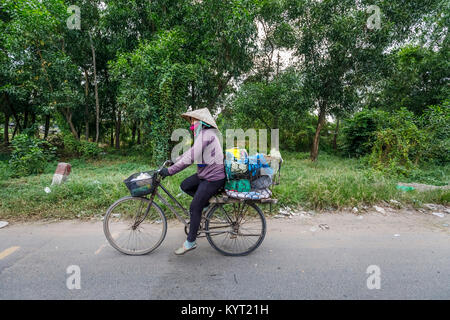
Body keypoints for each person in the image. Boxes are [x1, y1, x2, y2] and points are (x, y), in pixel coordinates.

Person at [159, 108, 226, 255]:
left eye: (194, 121)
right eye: (191, 121)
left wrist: (170, 171)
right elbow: (190, 153)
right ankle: (206, 204)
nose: (192, 123)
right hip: (205, 174)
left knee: (194, 207)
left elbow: (190, 159)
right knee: (185, 185)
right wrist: (175, 161)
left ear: (202, 122)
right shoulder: (202, 135)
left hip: (213, 178)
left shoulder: (206, 135)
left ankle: (191, 242)